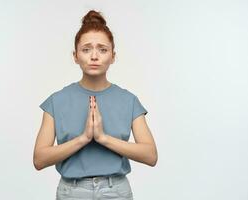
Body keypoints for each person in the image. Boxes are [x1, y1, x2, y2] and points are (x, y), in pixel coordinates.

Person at [33, 9, 158, 200]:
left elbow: (150, 155)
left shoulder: (128, 100)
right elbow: (39, 159)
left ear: (113, 56)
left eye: (102, 49)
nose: (94, 56)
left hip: (116, 190)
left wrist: (103, 138)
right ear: (75, 56)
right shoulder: (56, 101)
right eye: (86, 49)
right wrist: (83, 138)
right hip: (72, 192)